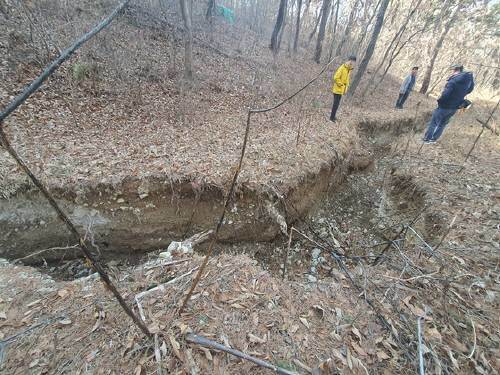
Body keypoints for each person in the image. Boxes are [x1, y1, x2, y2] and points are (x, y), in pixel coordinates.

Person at [422, 64, 474, 144]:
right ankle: (433, 139)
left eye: (453, 71)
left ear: (456, 71)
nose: (452, 73)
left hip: (444, 106)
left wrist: (440, 101)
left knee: (434, 122)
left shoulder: (453, 81)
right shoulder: (467, 83)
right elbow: (470, 90)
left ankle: (426, 139)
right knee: (442, 124)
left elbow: (446, 94)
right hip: (455, 107)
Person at [330, 56, 356, 122]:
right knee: (335, 105)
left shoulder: (348, 69)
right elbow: (336, 77)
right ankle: (331, 118)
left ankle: (333, 116)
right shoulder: (342, 68)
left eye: (354, 62)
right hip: (337, 89)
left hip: (341, 90)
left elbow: (347, 80)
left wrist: (346, 87)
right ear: (349, 60)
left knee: (337, 104)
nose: (352, 63)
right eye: (352, 61)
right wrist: (341, 85)